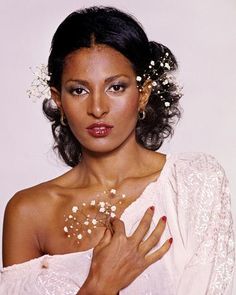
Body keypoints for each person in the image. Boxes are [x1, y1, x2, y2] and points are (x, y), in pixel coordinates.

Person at [0, 6, 235, 295]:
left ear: (143, 94)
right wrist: (100, 285)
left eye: (116, 87)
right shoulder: (29, 213)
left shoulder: (192, 183)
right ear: (58, 100)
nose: (97, 108)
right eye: (79, 91)